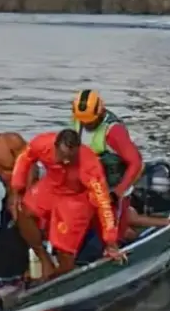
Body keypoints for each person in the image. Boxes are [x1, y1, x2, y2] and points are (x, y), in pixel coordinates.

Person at [10, 130, 124, 280]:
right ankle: (44, 259)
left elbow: (103, 203)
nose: (65, 162)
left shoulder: (89, 165)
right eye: (62, 156)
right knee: (23, 210)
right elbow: (25, 158)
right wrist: (18, 187)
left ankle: (57, 277)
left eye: (70, 158)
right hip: (52, 185)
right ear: (55, 146)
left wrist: (110, 241)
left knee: (65, 251)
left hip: (76, 197)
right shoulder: (42, 143)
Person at [69, 90, 144, 236]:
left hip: (113, 188)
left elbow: (136, 163)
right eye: (83, 121)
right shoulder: (78, 121)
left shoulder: (114, 131)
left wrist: (118, 193)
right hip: (90, 186)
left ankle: (127, 235)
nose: (86, 124)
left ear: (100, 112)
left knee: (112, 232)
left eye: (89, 121)